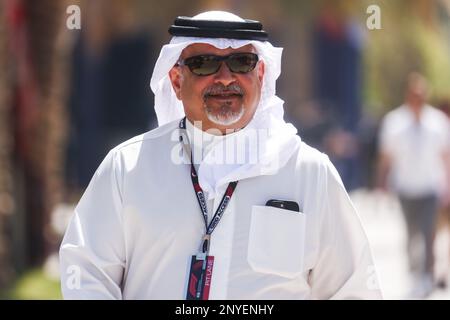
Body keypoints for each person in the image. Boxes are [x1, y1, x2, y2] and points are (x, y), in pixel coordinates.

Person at [59, 10, 382, 300]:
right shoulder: (128, 167)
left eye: (242, 62)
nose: (225, 77)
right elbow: (87, 276)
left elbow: (353, 288)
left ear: (261, 75)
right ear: (175, 79)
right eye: (204, 64)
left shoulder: (308, 171)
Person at [377, 72, 450, 298]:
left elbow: (445, 156)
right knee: (411, 234)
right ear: (408, 96)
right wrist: (381, 184)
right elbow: (386, 156)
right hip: (406, 188)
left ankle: (427, 274)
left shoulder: (438, 122)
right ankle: (413, 272)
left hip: (430, 187)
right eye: (414, 95)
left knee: (429, 233)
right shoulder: (394, 122)